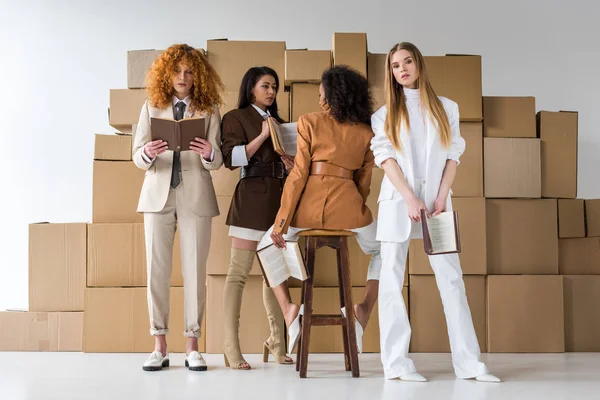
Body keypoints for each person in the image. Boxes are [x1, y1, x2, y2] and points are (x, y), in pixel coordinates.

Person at [370, 42, 500, 383]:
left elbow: (452, 156)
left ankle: (470, 365)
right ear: (392, 73)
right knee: (390, 283)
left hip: (439, 205)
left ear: (419, 64)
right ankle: (396, 364)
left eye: (407, 62)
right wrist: (411, 199)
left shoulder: (447, 108)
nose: (402, 69)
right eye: (396, 65)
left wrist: (441, 196)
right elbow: (386, 159)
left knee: (452, 280)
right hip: (398, 204)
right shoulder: (383, 116)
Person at [257, 65, 382, 356]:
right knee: (384, 250)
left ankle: (290, 310)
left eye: (321, 92)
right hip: (349, 209)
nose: (319, 97)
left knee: (268, 246)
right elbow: (364, 183)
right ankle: (362, 309)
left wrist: (282, 223)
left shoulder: (309, 121)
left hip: (307, 210)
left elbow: (298, 176)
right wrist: (353, 206)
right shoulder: (367, 133)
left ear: (330, 94)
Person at [132, 44, 224, 372]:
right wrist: (148, 152)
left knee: (195, 271)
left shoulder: (209, 109)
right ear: (167, 75)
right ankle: (159, 345)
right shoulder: (151, 107)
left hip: (195, 196)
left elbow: (219, 162)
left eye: (188, 72)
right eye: (177, 71)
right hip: (157, 196)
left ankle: (193, 346)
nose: (183, 78)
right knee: (156, 270)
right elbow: (136, 155)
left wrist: (210, 153)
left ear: (197, 75)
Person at [220, 67, 295, 370]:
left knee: (275, 274)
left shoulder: (280, 122)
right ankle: (230, 346)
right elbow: (230, 159)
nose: (271, 92)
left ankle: (277, 341)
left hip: (278, 201)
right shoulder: (235, 118)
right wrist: (263, 134)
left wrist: (291, 166)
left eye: (274, 86)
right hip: (250, 198)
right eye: (265, 86)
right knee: (238, 273)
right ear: (251, 87)